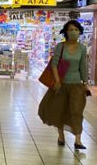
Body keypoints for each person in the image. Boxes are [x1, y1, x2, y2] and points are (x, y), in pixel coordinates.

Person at [38, 20, 90, 150]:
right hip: (61, 84)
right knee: (59, 110)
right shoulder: (60, 47)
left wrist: (85, 82)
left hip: (76, 85)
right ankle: (61, 136)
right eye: (71, 29)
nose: (74, 32)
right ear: (66, 32)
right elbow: (54, 64)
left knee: (77, 111)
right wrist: (57, 81)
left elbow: (83, 66)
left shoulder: (82, 48)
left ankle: (78, 140)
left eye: (76, 30)